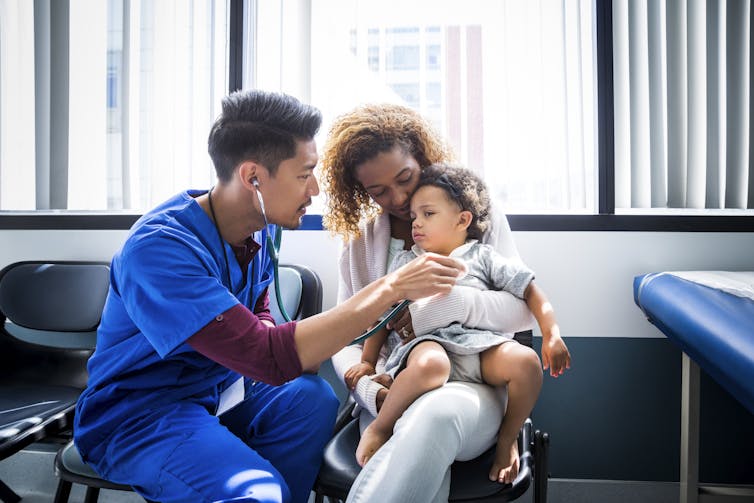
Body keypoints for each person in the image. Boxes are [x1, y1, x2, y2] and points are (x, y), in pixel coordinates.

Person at [73, 90, 466, 503]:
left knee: (311, 399)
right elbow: (266, 358)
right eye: (304, 174)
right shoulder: (159, 250)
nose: (315, 188)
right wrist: (392, 287)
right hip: (142, 413)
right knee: (259, 492)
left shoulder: (262, 224)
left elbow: (259, 307)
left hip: (220, 388)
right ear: (253, 178)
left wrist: (269, 332)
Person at [320, 103, 560, 503]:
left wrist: (446, 307)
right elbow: (350, 333)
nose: (397, 198)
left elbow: (521, 309)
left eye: (405, 178)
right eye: (378, 191)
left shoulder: (476, 217)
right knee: (422, 426)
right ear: (361, 191)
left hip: (474, 382)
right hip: (395, 389)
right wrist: (367, 388)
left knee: (437, 416)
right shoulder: (361, 245)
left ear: (422, 158)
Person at [347, 163, 571, 483]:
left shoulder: (483, 257)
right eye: (413, 217)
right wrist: (368, 361)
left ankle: (507, 441)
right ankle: (381, 427)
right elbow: (386, 315)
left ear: (462, 220)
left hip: (479, 348)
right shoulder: (408, 262)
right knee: (431, 366)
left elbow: (532, 291)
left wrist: (552, 334)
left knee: (526, 362)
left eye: (428, 214)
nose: (416, 224)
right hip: (429, 345)